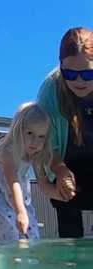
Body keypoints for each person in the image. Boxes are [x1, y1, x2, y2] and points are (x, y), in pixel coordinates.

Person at [37, 27, 93, 238]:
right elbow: (44, 144)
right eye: (70, 73)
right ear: (61, 66)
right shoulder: (50, 90)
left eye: (88, 74)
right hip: (66, 165)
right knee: (69, 227)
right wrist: (59, 170)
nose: (79, 81)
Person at [0, 103, 62, 242]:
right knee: (9, 232)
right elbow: (13, 182)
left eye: (41, 136)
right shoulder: (8, 152)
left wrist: (61, 195)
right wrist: (20, 211)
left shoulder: (34, 156)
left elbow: (43, 184)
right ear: (18, 130)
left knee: (31, 234)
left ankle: (23, 262)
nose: (35, 141)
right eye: (30, 133)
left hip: (21, 203)